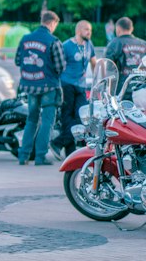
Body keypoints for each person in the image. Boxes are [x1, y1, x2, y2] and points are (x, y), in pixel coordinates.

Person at [14, 9, 65, 166]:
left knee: (31, 120)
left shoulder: (25, 39)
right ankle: (40, 157)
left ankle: (23, 155)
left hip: (29, 87)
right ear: (52, 23)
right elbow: (60, 66)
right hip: (48, 87)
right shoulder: (53, 41)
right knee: (47, 121)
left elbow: (17, 61)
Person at [55, 19, 96, 156]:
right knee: (67, 117)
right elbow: (58, 65)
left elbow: (94, 62)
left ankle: (58, 142)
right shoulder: (66, 45)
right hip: (67, 84)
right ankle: (70, 153)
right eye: (86, 29)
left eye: (90, 30)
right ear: (79, 31)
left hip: (81, 86)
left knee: (81, 117)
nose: (89, 32)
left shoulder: (89, 45)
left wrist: (97, 77)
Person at [104, 16, 146, 95]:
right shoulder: (144, 44)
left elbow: (109, 70)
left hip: (122, 92)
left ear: (118, 29)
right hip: (142, 90)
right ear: (132, 28)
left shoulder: (114, 44)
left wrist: (106, 91)